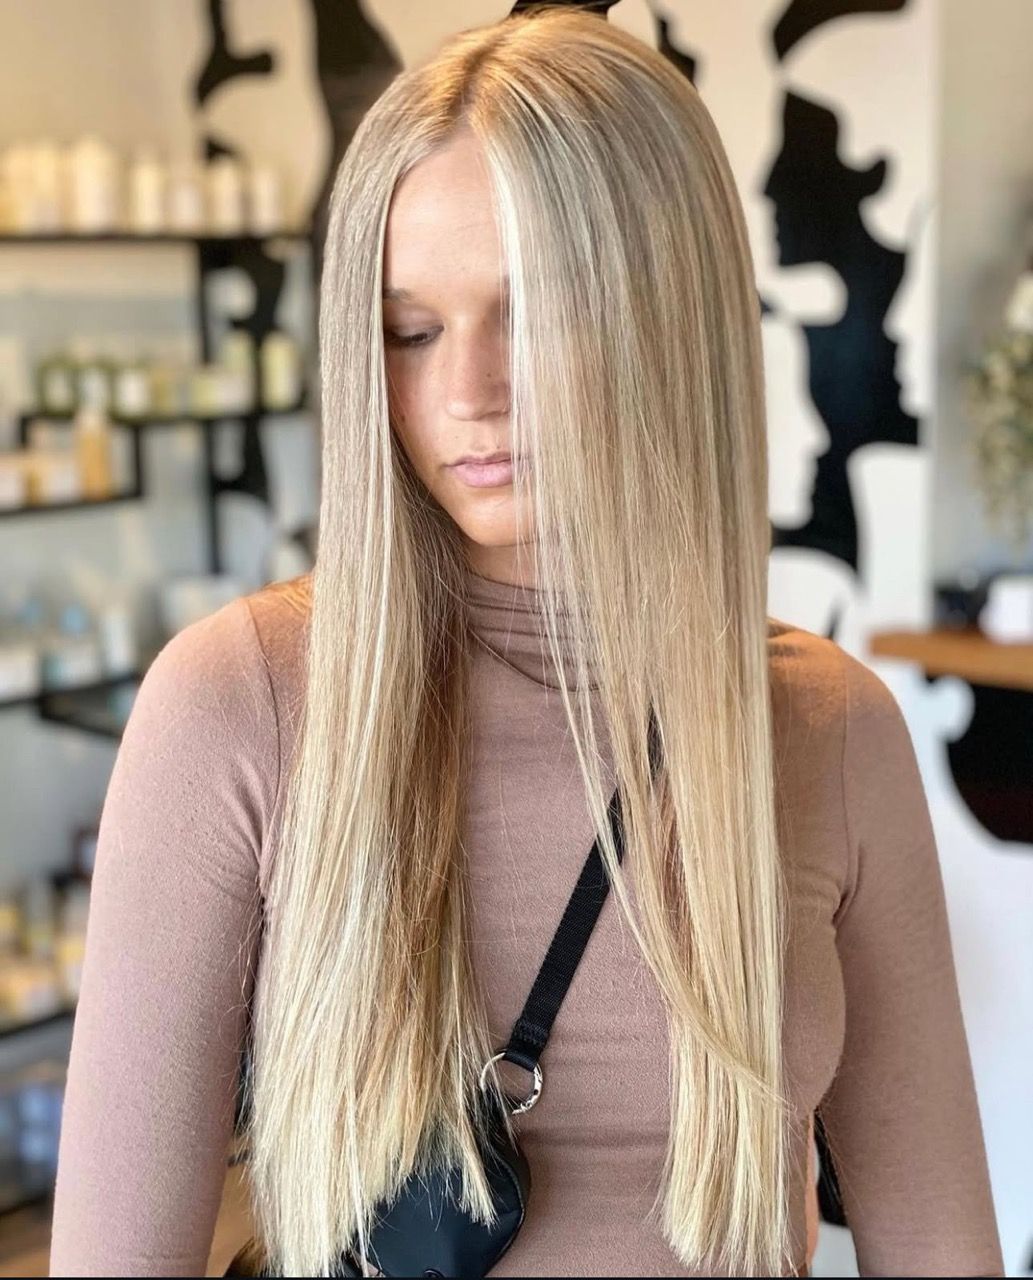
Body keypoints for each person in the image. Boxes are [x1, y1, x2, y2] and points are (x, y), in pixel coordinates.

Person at [48, 7, 1004, 1277]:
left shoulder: (826, 729)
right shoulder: (242, 704)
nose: (467, 396)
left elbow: (943, 1246)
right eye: (411, 330)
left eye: (535, 313)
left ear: (672, 315)